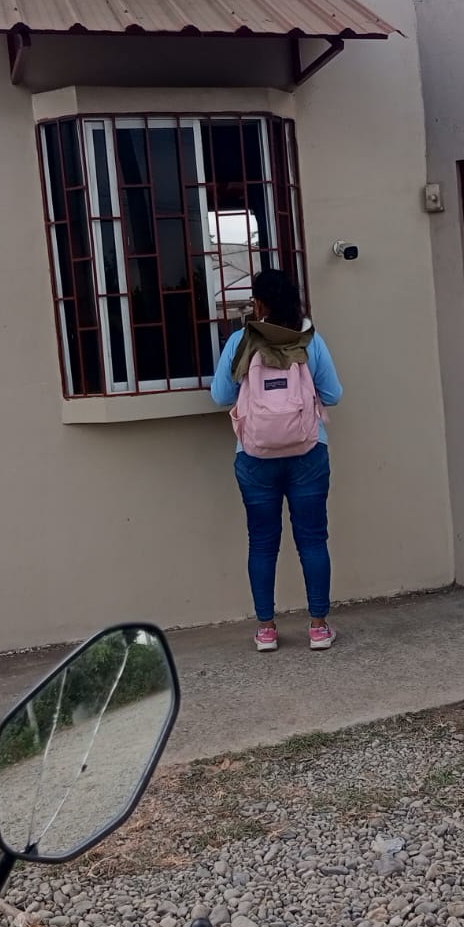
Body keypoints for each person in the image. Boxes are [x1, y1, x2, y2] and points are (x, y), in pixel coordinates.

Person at [210, 269, 343, 652]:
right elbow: (334, 394)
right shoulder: (310, 339)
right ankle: (318, 627)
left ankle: (266, 629)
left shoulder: (241, 341)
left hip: (255, 456)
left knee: (263, 543)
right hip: (308, 451)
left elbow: (220, 395)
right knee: (313, 540)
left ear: (258, 303)